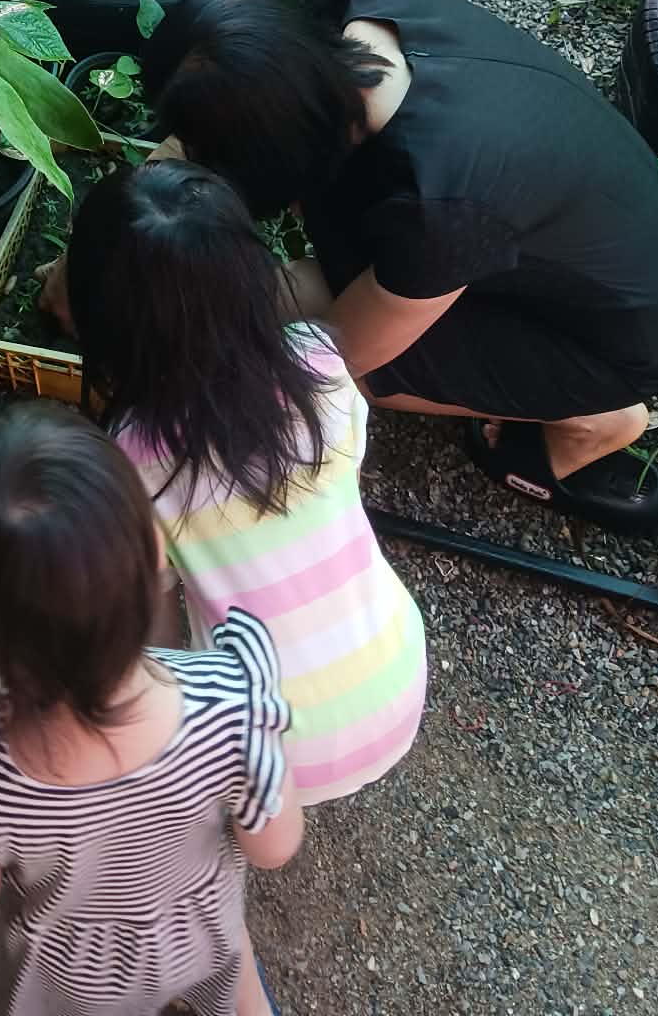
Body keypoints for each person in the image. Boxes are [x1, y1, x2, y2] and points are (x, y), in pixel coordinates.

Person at [128, 0, 658, 534]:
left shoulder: (443, 202)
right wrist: (137, 221)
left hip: (610, 340)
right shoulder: (352, 7)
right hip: (591, 227)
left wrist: (187, 347)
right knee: (319, 283)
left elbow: (340, 354)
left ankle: (592, 420)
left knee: (347, 359)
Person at [0, 402, 303, 1016]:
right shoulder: (233, 700)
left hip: (66, 979)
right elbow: (274, 847)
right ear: (155, 552)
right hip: (199, 940)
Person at [66, 160, 426, 806]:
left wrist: (161, 728)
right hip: (398, 681)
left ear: (104, 319)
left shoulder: (133, 454)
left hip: (271, 759)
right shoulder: (318, 359)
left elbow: (155, 625)